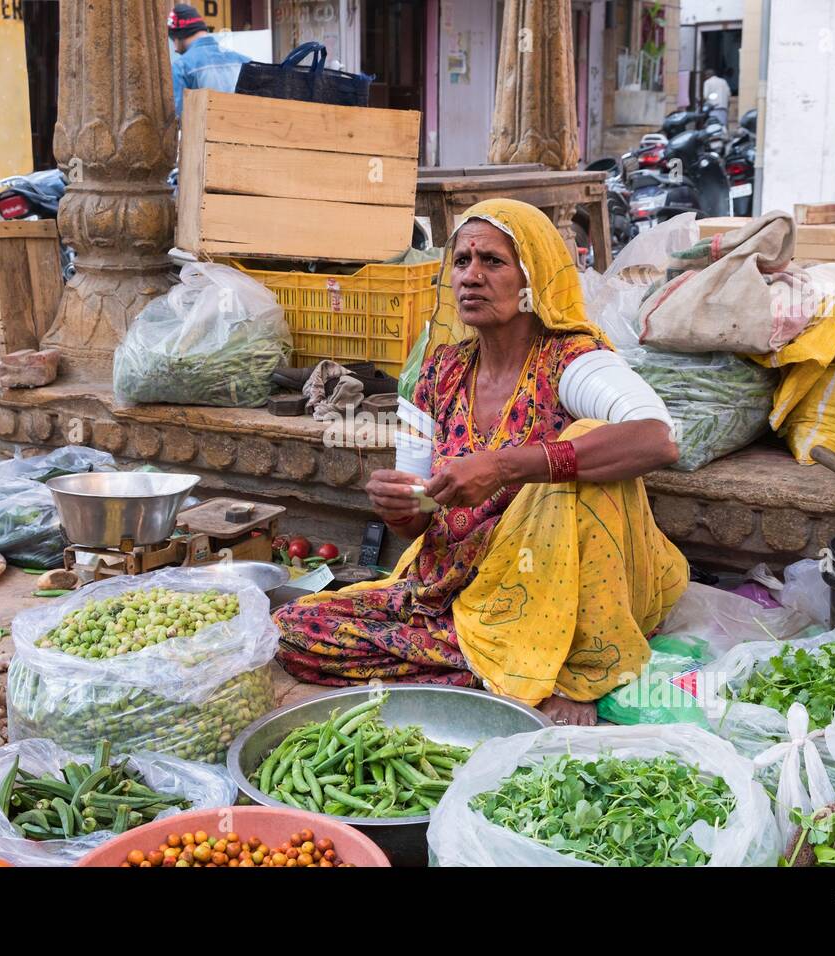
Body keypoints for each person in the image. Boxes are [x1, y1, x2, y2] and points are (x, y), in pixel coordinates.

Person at [274, 199, 689, 727]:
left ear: (530, 279)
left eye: (493, 262)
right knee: (293, 629)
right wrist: (400, 505)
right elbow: (419, 513)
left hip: (546, 594)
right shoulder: (439, 373)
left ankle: (574, 669)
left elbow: (657, 440)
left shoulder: (570, 361)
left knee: (587, 451)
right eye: (463, 261)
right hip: (460, 590)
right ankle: (498, 674)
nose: (471, 276)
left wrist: (507, 466)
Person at [168, 3, 250, 118]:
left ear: (179, 35)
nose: (175, 48)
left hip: (204, 135)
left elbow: (178, 119)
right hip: (243, 134)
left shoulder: (181, 67)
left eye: (173, 39)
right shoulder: (245, 62)